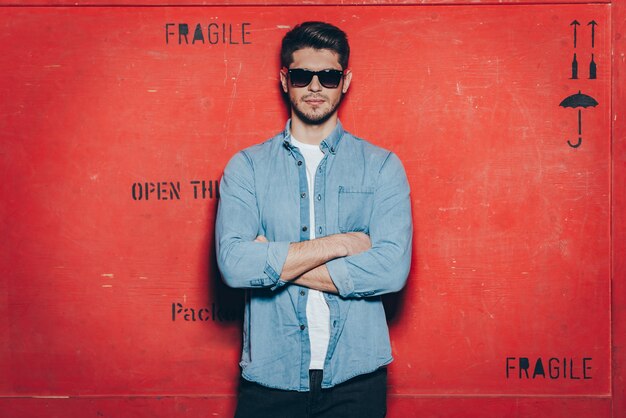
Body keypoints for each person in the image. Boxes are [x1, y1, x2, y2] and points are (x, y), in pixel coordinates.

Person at [215, 21, 412, 418]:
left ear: (346, 80)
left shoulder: (382, 167)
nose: (316, 87)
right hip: (271, 378)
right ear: (285, 80)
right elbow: (235, 266)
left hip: (356, 378)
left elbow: (391, 271)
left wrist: (272, 260)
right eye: (303, 75)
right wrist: (342, 243)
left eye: (329, 76)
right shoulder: (247, 168)